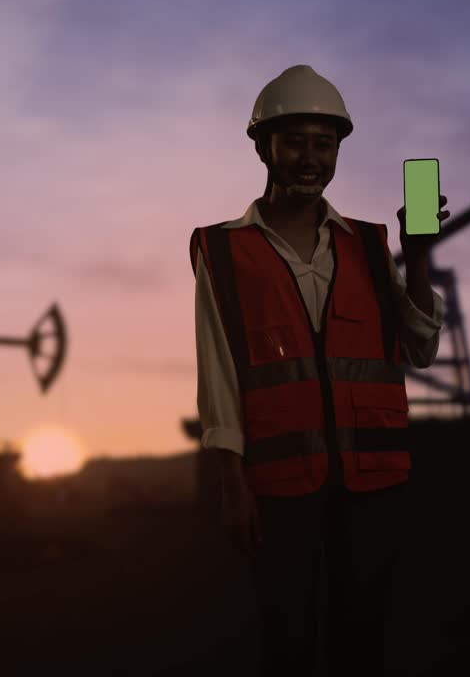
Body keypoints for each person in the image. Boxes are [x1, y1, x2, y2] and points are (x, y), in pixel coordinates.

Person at [190, 64, 450, 676]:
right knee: (287, 638)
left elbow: (422, 347)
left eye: (324, 144)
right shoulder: (222, 250)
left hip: (372, 483)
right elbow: (218, 371)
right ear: (263, 147)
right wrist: (233, 486)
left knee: (361, 638)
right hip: (280, 485)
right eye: (295, 142)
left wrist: (417, 257)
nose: (311, 159)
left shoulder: (369, 244)